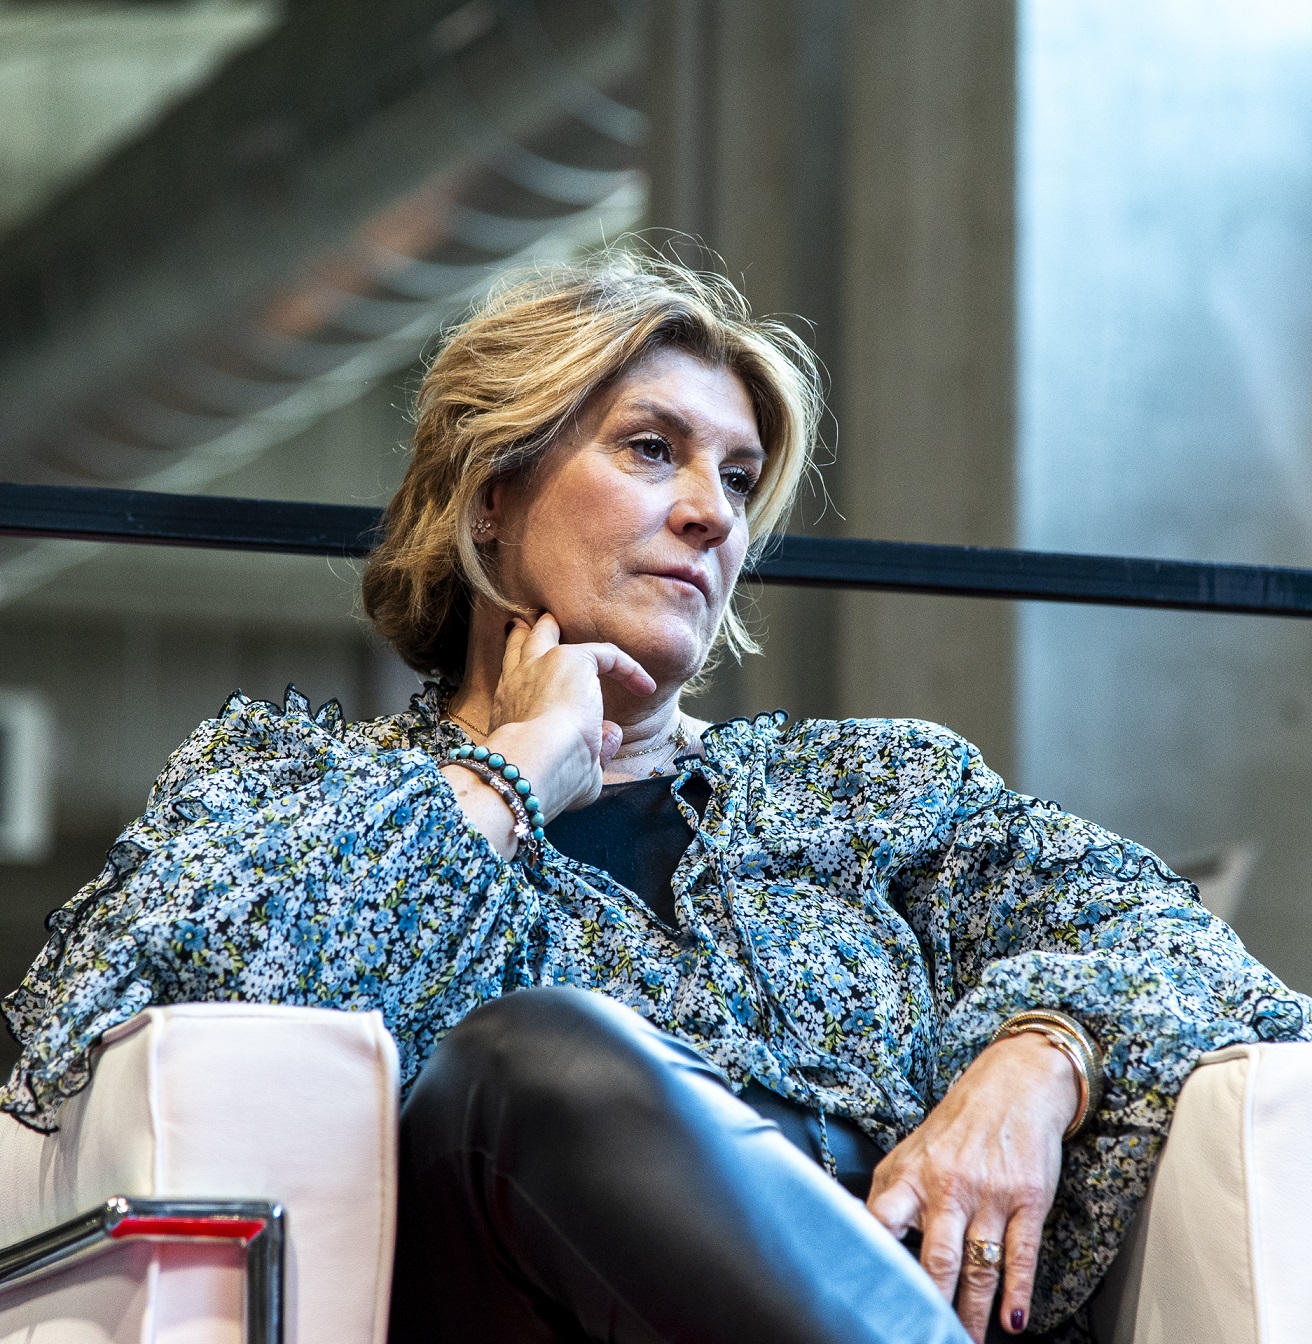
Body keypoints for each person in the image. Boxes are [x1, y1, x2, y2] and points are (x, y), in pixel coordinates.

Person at [3, 253, 1308, 1344]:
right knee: (535, 1063)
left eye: (738, 479)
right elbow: (131, 1020)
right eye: (651, 450)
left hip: (901, 1288)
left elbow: (1182, 944)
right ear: (493, 496)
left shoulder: (863, 789)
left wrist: (1041, 1058)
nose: (711, 515)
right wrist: (507, 779)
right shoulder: (294, 786)